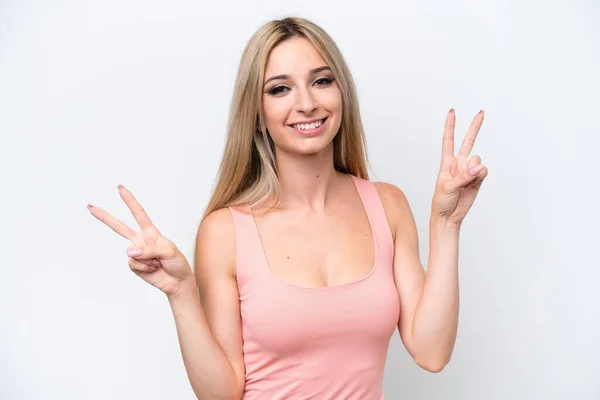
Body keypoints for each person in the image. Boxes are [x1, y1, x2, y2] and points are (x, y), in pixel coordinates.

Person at [87, 16, 488, 400]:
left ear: (341, 92)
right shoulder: (225, 230)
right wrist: (180, 292)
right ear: (257, 115)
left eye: (322, 81)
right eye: (280, 89)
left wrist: (446, 223)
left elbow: (431, 352)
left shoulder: (387, 205)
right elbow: (222, 393)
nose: (307, 103)